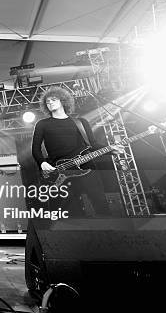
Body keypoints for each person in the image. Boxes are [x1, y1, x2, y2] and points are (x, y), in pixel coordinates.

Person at [31, 86, 124, 217]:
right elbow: (35, 148)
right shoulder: (42, 124)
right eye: (47, 101)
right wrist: (42, 163)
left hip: (87, 169)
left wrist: (110, 150)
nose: (50, 103)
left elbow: (93, 144)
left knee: (100, 204)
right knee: (61, 210)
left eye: (53, 99)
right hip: (60, 171)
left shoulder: (80, 122)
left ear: (63, 101)